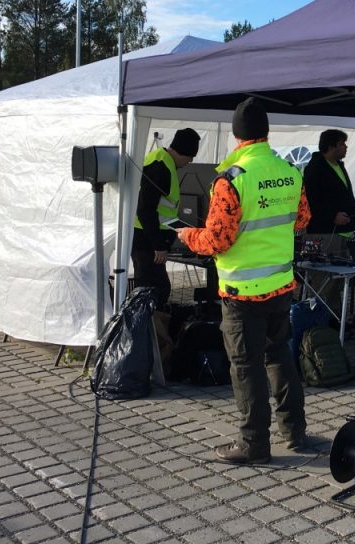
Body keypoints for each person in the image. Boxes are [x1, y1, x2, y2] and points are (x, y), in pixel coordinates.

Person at [178, 98, 310, 464]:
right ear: (266, 133)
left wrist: (187, 236)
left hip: (242, 292)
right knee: (280, 356)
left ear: (236, 137)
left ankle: (254, 444)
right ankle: (294, 431)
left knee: (246, 366)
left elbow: (217, 240)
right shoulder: (290, 172)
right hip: (281, 284)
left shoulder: (231, 181)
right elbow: (301, 220)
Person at [132, 127, 200, 306]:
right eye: (190, 157)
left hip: (149, 239)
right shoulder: (160, 166)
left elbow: (163, 208)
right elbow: (146, 209)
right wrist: (158, 246)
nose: (190, 162)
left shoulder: (161, 160)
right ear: (183, 152)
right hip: (147, 241)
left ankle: (155, 329)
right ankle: (153, 330)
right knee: (154, 291)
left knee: (154, 289)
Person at [303, 129, 355, 303]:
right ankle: (322, 325)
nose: (346, 147)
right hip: (323, 234)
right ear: (331, 146)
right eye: (342, 144)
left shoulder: (339, 165)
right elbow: (310, 201)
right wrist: (332, 216)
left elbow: (345, 194)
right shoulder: (315, 168)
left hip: (342, 233)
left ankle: (336, 322)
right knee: (324, 284)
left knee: (337, 283)